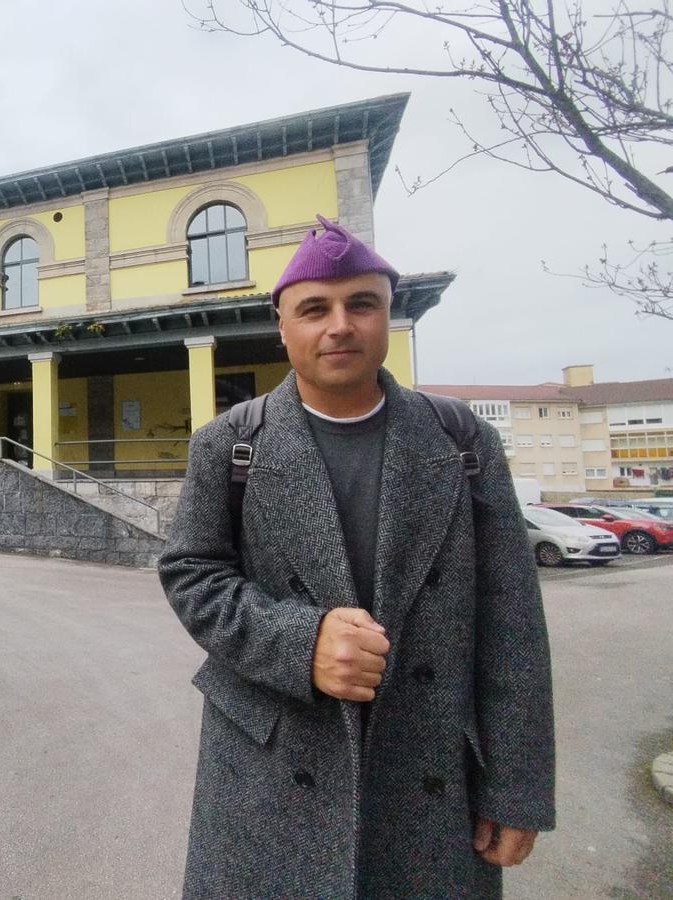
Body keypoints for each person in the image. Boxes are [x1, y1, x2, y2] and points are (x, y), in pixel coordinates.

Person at [158, 216, 555, 898]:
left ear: (387, 315)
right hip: (268, 763)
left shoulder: (462, 440)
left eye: (360, 303)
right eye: (314, 308)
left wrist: (517, 786)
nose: (338, 325)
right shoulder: (228, 445)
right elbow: (191, 574)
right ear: (282, 327)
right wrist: (299, 642)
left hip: (429, 764)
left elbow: (511, 619)